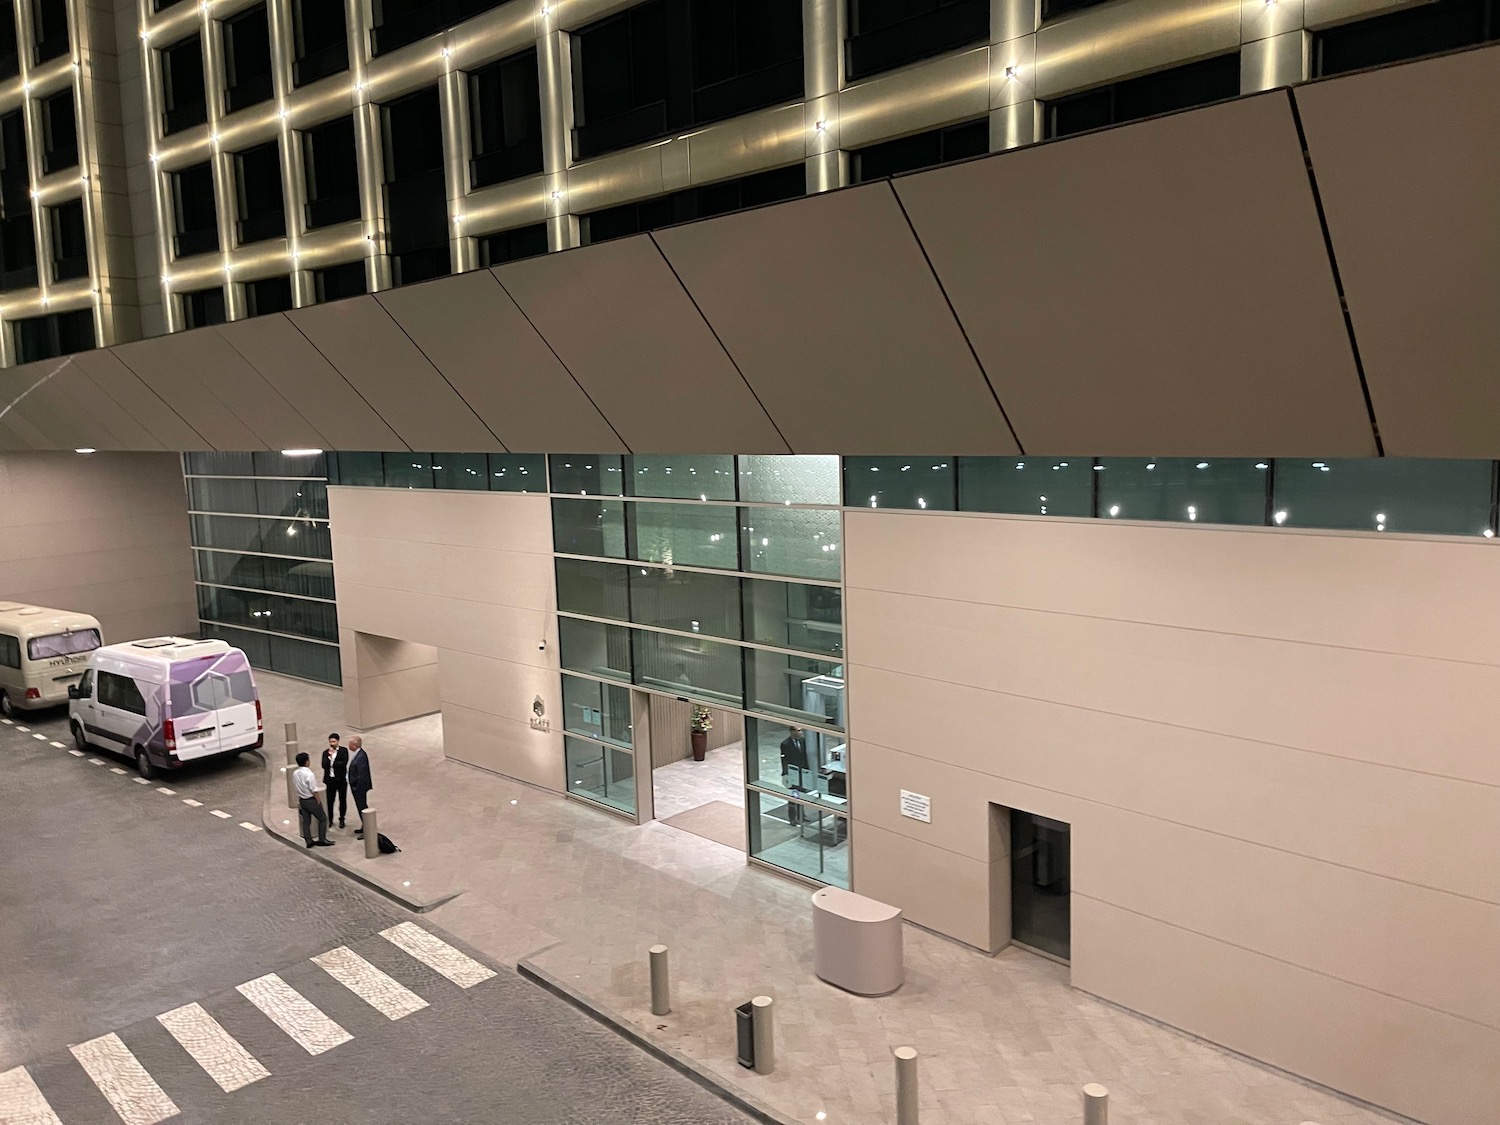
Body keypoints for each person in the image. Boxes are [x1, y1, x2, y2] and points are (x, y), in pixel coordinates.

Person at [292, 752, 334, 848]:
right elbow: (314, 789)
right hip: (310, 799)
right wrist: (318, 800)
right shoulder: (309, 774)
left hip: (302, 800)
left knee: (306, 822)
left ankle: (309, 841)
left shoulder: (295, 773)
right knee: (323, 818)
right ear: (307, 762)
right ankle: (322, 839)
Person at [780, 726, 809, 826]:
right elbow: (784, 760)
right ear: (792, 732)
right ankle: (792, 818)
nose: (800, 733)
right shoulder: (786, 744)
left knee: (802, 794)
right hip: (793, 775)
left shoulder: (803, 741)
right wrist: (786, 773)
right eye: (798, 731)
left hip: (802, 773)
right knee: (793, 796)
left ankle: (802, 815)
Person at [321, 732, 349, 829]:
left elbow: (343, 763)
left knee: (342, 800)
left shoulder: (344, 751)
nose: (332, 743)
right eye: (330, 741)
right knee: (330, 801)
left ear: (338, 741)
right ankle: (330, 819)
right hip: (330, 780)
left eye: (334, 741)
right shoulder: (325, 753)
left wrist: (332, 761)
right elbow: (324, 765)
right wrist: (330, 758)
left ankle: (342, 819)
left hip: (341, 780)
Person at [348, 735, 372, 840]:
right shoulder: (358, 754)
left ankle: (367, 828)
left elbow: (362, 775)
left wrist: (357, 787)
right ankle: (364, 825)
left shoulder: (361, 757)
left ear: (354, 745)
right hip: (357, 787)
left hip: (359, 788)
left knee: (362, 806)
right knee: (360, 807)